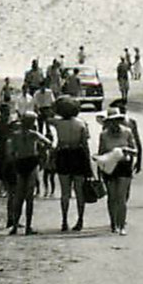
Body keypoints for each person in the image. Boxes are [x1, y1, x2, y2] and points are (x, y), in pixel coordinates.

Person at [3, 110, 53, 234]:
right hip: (31, 163)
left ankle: (14, 226)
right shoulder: (34, 134)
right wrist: (41, 155)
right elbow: (49, 143)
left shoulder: (15, 135)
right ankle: (28, 227)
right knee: (29, 197)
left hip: (19, 163)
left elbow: (10, 153)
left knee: (18, 197)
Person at [96, 106, 139, 234]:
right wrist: (99, 166)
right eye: (112, 121)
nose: (114, 123)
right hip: (109, 166)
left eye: (117, 120)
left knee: (121, 197)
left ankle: (122, 225)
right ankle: (113, 223)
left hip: (123, 165)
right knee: (112, 196)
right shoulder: (103, 135)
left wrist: (126, 150)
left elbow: (135, 150)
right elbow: (101, 152)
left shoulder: (127, 132)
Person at [51, 98, 92, 231]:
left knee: (65, 192)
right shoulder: (81, 124)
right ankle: (80, 219)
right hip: (78, 155)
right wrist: (88, 164)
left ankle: (64, 220)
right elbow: (85, 145)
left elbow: (46, 116)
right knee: (79, 191)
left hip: (63, 155)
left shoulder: (57, 123)